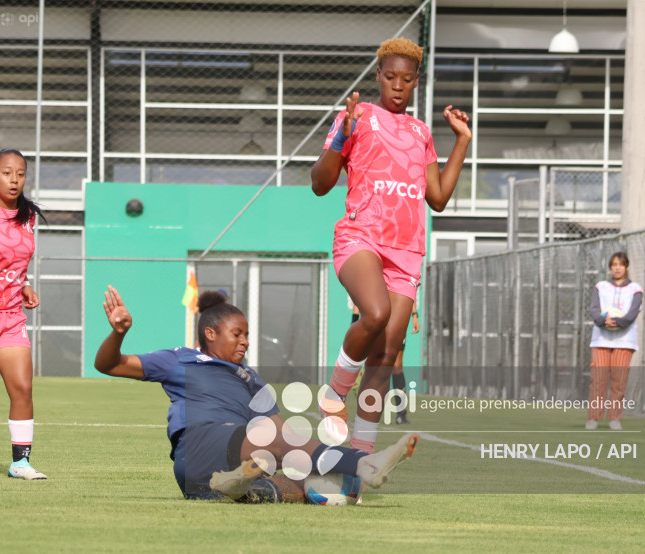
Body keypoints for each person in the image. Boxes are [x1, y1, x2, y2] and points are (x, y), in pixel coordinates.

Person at [94, 285, 418, 501]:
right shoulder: (181, 358)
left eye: (247, 334)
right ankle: (364, 464)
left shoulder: (249, 376)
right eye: (237, 334)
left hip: (208, 477)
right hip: (199, 445)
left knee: (297, 476)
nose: (245, 341)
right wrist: (118, 333)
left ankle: (245, 488)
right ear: (210, 333)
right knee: (275, 439)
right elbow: (110, 364)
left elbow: (282, 435)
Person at [311, 37, 470, 453]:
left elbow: (437, 198)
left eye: (407, 79)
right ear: (378, 76)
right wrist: (342, 139)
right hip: (360, 236)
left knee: (383, 364)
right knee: (375, 313)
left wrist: (462, 142)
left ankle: (358, 467)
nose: (398, 86)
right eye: (390, 77)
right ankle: (334, 393)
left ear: (416, 81)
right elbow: (319, 185)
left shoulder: (420, 133)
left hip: (407, 250)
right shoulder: (356, 117)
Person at [0, 148, 46, 480]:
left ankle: (20, 463)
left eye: (20, 174)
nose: (14, 179)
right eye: (7, 173)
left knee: (22, 387)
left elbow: (13, 262)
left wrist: (24, 285)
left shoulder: (28, 216)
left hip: (8, 315)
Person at [586, 252, 643, 431]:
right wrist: (604, 321)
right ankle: (593, 418)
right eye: (614, 264)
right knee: (598, 380)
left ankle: (615, 418)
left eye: (621, 264)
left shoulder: (635, 289)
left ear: (626, 266)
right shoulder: (601, 286)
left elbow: (633, 313)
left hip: (624, 341)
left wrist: (618, 322)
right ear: (610, 267)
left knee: (619, 381)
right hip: (601, 340)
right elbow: (594, 309)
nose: (617, 267)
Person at [392, 300, 418, 425]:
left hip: (399, 319)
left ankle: (401, 413)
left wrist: (414, 315)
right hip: (383, 317)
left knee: (397, 365)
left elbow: (411, 289)